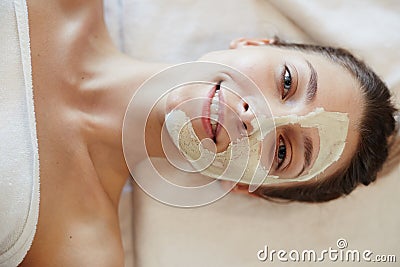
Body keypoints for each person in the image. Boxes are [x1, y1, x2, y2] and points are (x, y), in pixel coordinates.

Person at [0, 0, 396, 266]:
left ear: (243, 186)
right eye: (287, 82)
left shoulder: (80, 251)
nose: (257, 117)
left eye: (281, 152)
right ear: (252, 44)